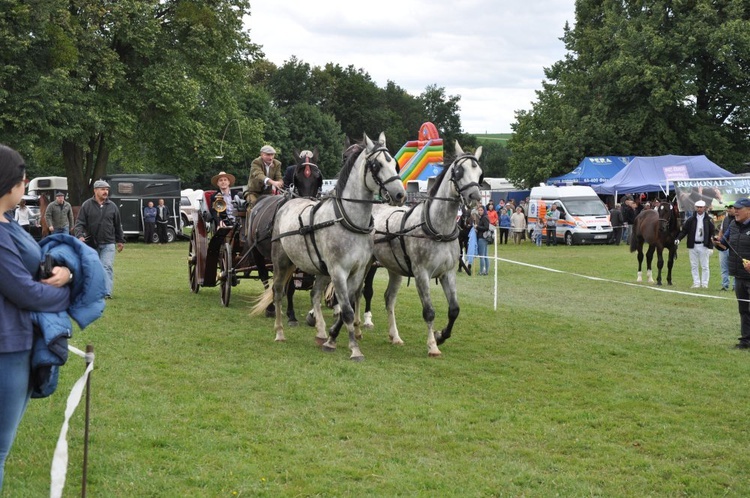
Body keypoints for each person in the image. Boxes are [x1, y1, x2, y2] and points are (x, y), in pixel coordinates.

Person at [0, 144, 72, 491]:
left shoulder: (8, 224)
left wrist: (64, 271)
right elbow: (24, 291)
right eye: (21, 176)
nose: (25, 183)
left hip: (17, 340)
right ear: (8, 182)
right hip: (6, 345)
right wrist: (65, 292)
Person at [75, 179, 125, 298]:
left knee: (106, 266)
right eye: (102, 189)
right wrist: (80, 236)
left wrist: (120, 240)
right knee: (92, 268)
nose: (105, 191)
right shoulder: (86, 205)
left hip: (108, 243)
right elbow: (79, 223)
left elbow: (118, 224)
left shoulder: (112, 206)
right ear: (95, 190)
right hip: (91, 243)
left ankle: (106, 292)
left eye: (107, 189)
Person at [714, 198, 750, 348]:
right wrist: (717, 243)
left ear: (748, 210)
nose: (735, 211)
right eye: (734, 208)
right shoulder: (733, 225)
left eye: (739, 208)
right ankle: (745, 340)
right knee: (743, 309)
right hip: (739, 275)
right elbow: (725, 244)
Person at [676, 199, 715, 289]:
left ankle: (704, 283)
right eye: (697, 207)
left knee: (705, 265)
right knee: (694, 265)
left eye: (701, 207)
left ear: (704, 208)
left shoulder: (709, 220)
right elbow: (684, 231)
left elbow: (712, 232)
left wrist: (711, 246)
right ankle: (696, 282)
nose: (699, 209)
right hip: (693, 245)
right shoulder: (691, 219)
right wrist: (678, 239)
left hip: (704, 245)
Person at [718, 203, 735, 291]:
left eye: (730, 208)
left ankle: (735, 287)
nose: (728, 210)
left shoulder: (739, 220)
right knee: (724, 267)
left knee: (735, 267)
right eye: (727, 208)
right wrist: (718, 240)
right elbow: (721, 231)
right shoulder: (725, 219)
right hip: (724, 246)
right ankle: (725, 285)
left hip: (734, 247)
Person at [475, 205, 490, 275]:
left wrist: (477, 227)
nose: (480, 211)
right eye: (479, 210)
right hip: (483, 238)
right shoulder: (483, 217)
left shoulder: (484, 218)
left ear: (484, 211)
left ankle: (482, 271)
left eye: (481, 210)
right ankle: (486, 271)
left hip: (482, 238)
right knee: (485, 255)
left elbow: (486, 227)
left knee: (482, 256)